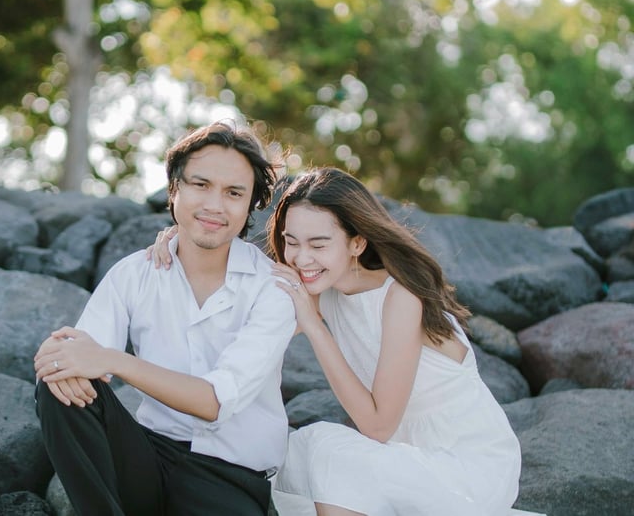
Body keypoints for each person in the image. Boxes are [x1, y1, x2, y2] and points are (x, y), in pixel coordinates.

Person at [149, 167, 535, 516]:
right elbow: (239, 321)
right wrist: (184, 244)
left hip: (469, 467)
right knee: (291, 455)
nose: (301, 259)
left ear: (356, 243)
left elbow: (379, 426)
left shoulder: (400, 297)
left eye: (318, 244)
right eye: (291, 242)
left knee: (327, 446)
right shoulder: (321, 284)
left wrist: (315, 327)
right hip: (404, 457)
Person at [33, 121, 296, 516]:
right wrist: (56, 358)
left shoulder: (272, 289)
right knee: (58, 389)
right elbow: (77, 353)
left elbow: (215, 402)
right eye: (200, 185)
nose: (214, 205)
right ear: (174, 190)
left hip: (229, 476)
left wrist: (112, 360)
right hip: (148, 455)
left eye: (233, 193)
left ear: (250, 206)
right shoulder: (133, 273)